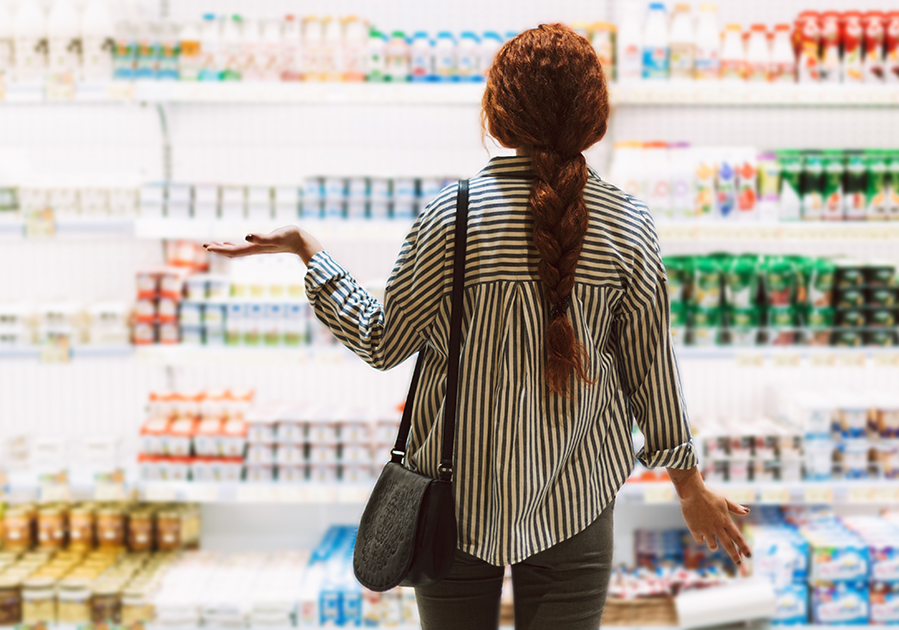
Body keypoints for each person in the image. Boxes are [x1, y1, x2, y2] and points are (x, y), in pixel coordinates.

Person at [204, 23, 750, 630]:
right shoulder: (628, 223)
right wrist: (689, 487)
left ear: (498, 112)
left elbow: (383, 342)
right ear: (595, 117)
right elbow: (652, 372)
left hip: (454, 499)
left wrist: (311, 253)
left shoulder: (451, 215)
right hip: (579, 495)